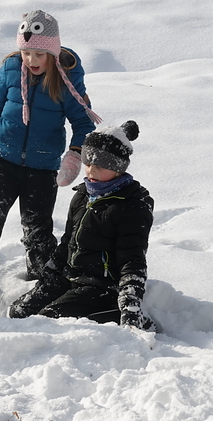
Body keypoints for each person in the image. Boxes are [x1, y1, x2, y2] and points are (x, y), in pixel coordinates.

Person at [0, 10, 101, 299]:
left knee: (37, 227)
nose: (31, 60)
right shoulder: (11, 69)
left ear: (52, 53)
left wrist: (74, 155)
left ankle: (42, 282)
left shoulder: (66, 79)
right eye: (26, 52)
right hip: (3, 159)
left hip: (42, 166)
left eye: (39, 54)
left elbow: (83, 123)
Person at [8, 120, 156, 331]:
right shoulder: (82, 196)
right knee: (19, 311)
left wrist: (130, 302)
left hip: (101, 287)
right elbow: (68, 241)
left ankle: (116, 316)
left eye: (100, 165)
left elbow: (132, 258)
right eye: (88, 163)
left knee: (46, 322)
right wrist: (52, 270)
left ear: (118, 167)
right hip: (69, 277)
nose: (91, 170)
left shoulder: (132, 206)